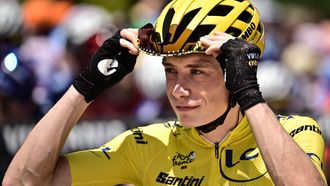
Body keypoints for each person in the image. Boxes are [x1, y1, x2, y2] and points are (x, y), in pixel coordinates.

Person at [2, 0, 327, 185]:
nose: (177, 90)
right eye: (170, 71)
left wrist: (248, 93)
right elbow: (22, 182)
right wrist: (86, 86)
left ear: (236, 70)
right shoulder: (144, 144)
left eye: (196, 72)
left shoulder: (295, 131)